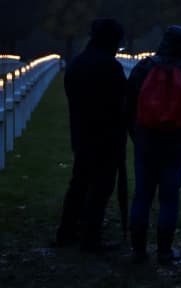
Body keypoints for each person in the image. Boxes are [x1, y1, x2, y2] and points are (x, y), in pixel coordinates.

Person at [126, 25, 181, 265]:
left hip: (146, 140)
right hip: (176, 142)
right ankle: (164, 251)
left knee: (142, 195)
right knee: (169, 198)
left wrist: (136, 134)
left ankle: (138, 250)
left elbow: (129, 104)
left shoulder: (143, 67)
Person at [56, 18, 127, 253]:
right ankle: (90, 237)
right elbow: (121, 100)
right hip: (106, 136)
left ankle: (67, 231)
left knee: (79, 183)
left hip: (82, 133)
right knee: (101, 188)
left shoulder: (77, 63)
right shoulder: (110, 66)